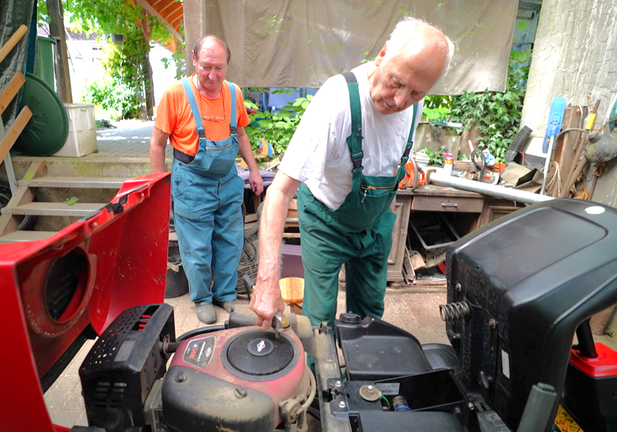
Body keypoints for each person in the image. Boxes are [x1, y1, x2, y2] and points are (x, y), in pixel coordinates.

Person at [250, 18, 454, 331]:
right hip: (325, 220)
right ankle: (322, 374)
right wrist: (266, 283)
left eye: (414, 93)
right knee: (319, 320)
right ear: (383, 54)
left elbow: (391, 161)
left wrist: (381, 216)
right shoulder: (337, 101)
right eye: (396, 82)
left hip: (374, 226)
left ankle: (362, 376)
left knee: (371, 313)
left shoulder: (415, 104)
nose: (399, 101)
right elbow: (278, 192)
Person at [150, 35, 263, 324]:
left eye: (219, 68)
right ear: (193, 60)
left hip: (228, 180)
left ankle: (224, 294)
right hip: (191, 182)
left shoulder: (233, 92)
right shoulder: (176, 94)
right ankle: (201, 298)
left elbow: (240, 134)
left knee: (230, 242)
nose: (213, 75)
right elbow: (157, 143)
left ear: (227, 66)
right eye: (206, 67)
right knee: (197, 249)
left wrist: (252, 170)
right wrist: (157, 185)